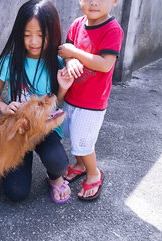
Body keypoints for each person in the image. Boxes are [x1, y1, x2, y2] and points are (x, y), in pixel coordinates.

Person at [0, 0, 74, 203]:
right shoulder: (9, 61)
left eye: (41, 35)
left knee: (59, 162)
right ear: (19, 34)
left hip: (46, 129)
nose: (34, 41)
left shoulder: (57, 62)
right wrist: (4, 106)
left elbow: (57, 103)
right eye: (27, 35)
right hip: (18, 130)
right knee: (16, 192)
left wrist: (63, 87)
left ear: (51, 33)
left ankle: (55, 178)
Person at [58, 0, 124, 200]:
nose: (93, 2)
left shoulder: (113, 30)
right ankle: (80, 165)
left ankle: (94, 173)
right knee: (72, 137)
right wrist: (70, 61)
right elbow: (65, 52)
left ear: (114, 1)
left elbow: (105, 64)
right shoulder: (77, 24)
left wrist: (74, 53)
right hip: (72, 96)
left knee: (83, 142)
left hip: (91, 103)